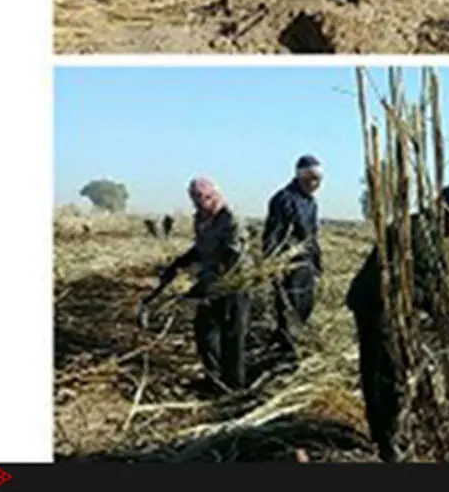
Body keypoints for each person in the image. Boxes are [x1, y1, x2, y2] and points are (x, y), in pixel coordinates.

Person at [345, 184, 449, 463]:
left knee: (380, 367)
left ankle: (381, 431)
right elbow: (420, 286)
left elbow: (436, 286)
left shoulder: (426, 230)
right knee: (389, 372)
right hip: (377, 304)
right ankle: (387, 441)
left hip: (379, 303)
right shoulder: (420, 233)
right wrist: (447, 318)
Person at [138, 178, 250, 392]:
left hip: (234, 283)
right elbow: (200, 248)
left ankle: (234, 387)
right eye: (196, 199)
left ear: (215, 195)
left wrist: (207, 285)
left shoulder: (231, 218)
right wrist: (179, 263)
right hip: (210, 282)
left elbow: (233, 255)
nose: (201, 203)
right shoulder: (200, 218)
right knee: (205, 332)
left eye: (205, 198)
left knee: (232, 336)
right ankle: (213, 379)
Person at [263, 155, 325, 360]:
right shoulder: (283, 199)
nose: (315, 183)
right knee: (289, 308)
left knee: (305, 306)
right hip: (288, 264)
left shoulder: (311, 203)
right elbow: (272, 234)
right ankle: (285, 355)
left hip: (305, 263)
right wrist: (273, 264)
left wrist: (317, 264)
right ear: (301, 176)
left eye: (318, 178)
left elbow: (312, 237)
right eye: (311, 178)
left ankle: (284, 345)